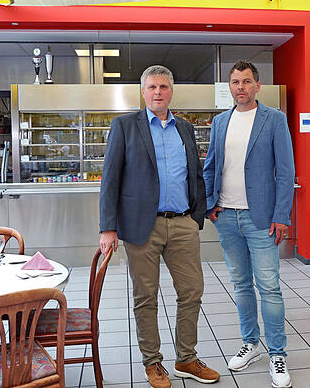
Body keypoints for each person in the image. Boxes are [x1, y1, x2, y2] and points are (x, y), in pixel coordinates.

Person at [99, 65, 219, 388]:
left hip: (182, 224)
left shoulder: (184, 128)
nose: (157, 92)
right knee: (146, 297)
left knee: (192, 290)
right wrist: (107, 227)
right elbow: (110, 179)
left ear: (171, 91)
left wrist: (197, 216)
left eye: (163, 86)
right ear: (143, 91)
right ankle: (153, 363)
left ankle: (187, 358)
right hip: (142, 226)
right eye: (152, 86)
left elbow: (195, 173)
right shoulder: (125, 126)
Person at [203, 60, 295, 387]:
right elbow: (210, 166)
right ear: (229, 86)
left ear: (257, 85)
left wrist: (281, 216)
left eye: (246, 81)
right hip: (227, 216)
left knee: (269, 287)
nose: (240, 87)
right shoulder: (219, 122)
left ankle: (278, 353)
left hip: (262, 220)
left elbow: (285, 173)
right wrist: (209, 207)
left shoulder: (274, 120)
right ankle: (251, 343)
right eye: (234, 82)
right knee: (240, 285)